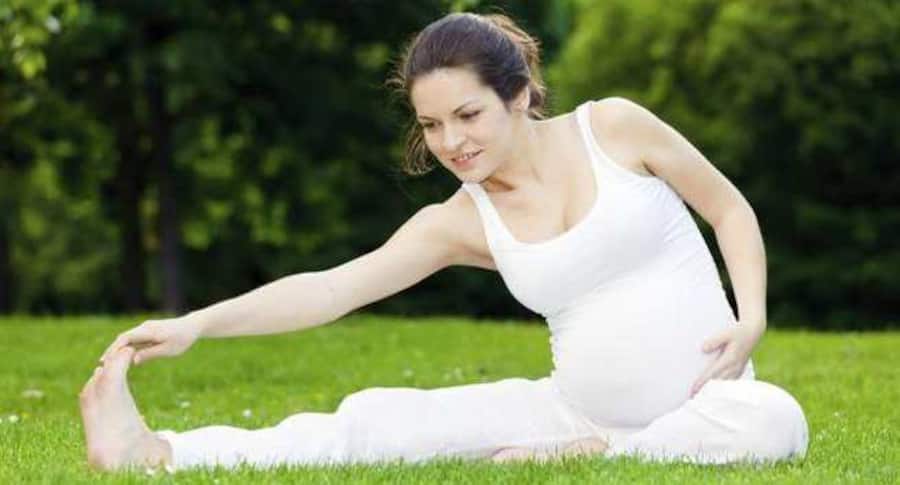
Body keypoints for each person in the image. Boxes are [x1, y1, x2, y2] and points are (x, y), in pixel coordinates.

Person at [78, 12, 809, 471]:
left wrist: (752, 317)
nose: (451, 142)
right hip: (569, 412)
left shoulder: (613, 128)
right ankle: (159, 453)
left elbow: (729, 209)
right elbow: (331, 289)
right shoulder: (461, 219)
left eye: (467, 115)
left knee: (776, 420)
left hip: (715, 407)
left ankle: (610, 455)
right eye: (431, 125)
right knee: (377, 422)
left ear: (518, 95)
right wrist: (196, 323)